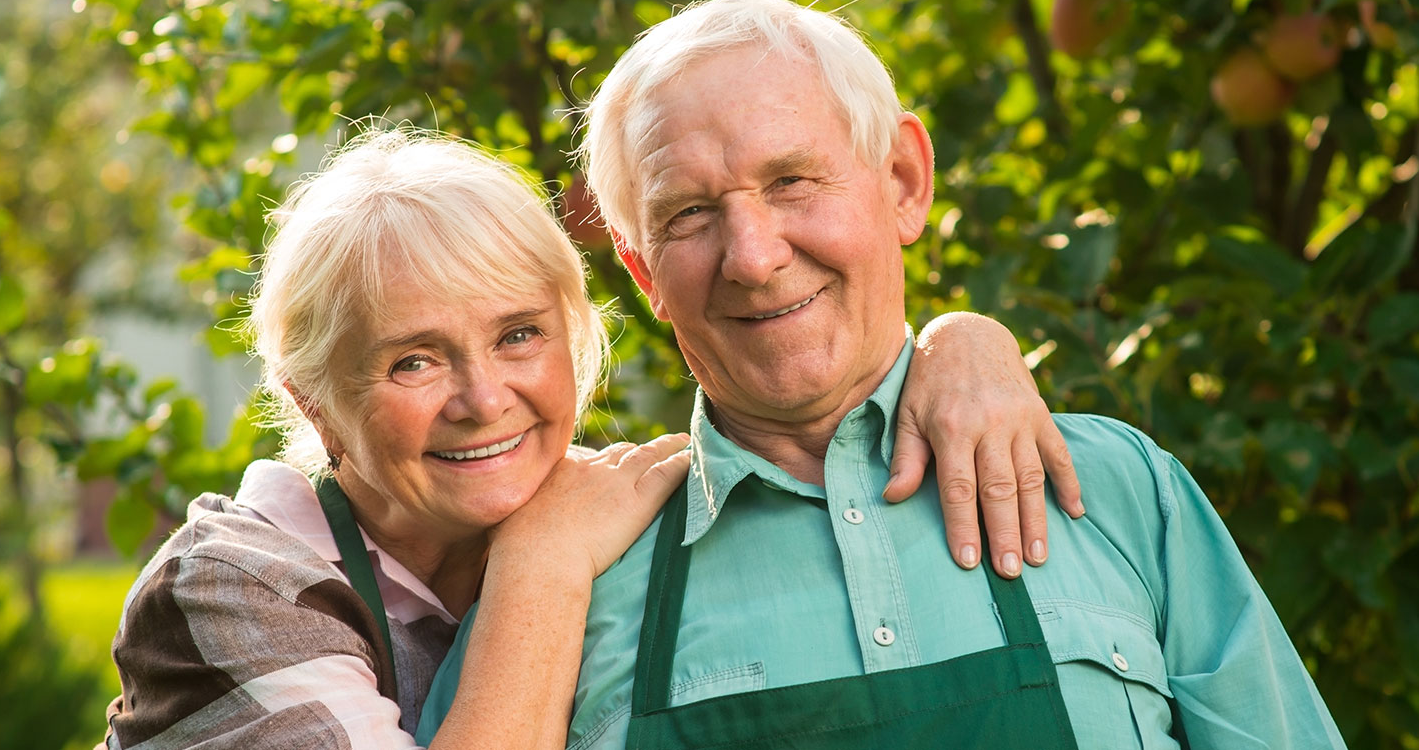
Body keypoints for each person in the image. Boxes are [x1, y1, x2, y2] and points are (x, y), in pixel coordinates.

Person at [420, 0, 1347, 749]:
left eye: (791, 181)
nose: (753, 255)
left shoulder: (1114, 490)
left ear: (904, 182)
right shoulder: (565, 580)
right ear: (640, 270)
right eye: (690, 214)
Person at [100, 127, 1087, 749]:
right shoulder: (233, 588)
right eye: (412, 360)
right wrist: (538, 571)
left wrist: (965, 345)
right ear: (310, 397)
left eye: (520, 335)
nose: (484, 399)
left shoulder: (582, 506)